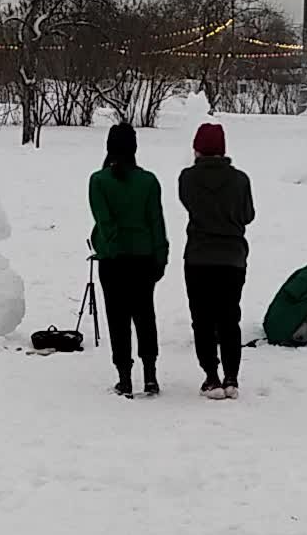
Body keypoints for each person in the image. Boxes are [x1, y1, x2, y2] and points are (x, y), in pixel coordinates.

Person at [88, 122, 168, 398]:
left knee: (117, 318)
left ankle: (124, 377)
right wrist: (161, 256)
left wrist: (109, 248)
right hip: (144, 258)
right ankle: (150, 375)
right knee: (145, 315)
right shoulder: (149, 181)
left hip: (113, 261)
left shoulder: (99, 181)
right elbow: (157, 223)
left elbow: (104, 221)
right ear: (134, 148)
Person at [178, 122, 255, 400]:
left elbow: (188, 203)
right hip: (233, 258)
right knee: (229, 318)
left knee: (202, 318)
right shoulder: (240, 180)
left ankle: (211, 376)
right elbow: (247, 215)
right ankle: (232, 377)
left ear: (197, 148)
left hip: (198, 256)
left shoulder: (187, 178)